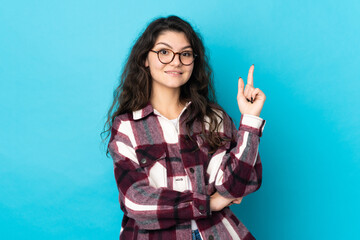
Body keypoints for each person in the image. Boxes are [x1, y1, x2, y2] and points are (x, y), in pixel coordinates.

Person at [102, 15, 266, 240]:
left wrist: (250, 120)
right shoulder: (127, 128)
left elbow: (237, 185)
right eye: (164, 52)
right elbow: (137, 203)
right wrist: (210, 202)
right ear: (145, 59)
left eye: (185, 54)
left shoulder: (213, 118)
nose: (176, 61)